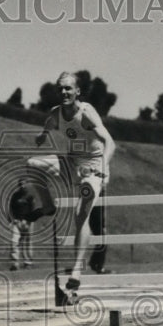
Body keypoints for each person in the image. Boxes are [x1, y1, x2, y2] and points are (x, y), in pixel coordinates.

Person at [29, 71, 115, 301]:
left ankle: (77, 268)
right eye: (61, 89)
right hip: (72, 163)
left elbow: (110, 142)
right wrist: (42, 135)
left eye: (68, 88)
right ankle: (48, 206)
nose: (64, 92)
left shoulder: (85, 113)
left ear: (77, 91)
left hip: (94, 167)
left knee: (81, 213)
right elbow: (48, 123)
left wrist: (102, 168)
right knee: (32, 164)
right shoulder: (56, 113)